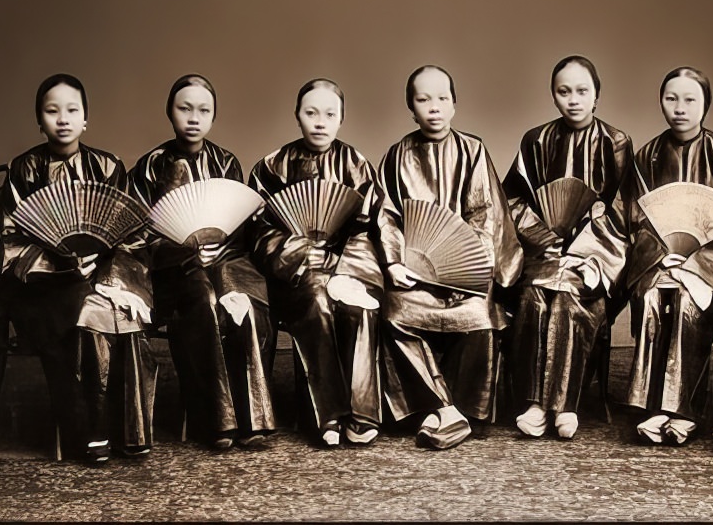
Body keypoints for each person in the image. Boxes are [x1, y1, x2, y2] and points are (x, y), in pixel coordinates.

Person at [0, 73, 157, 463]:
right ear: (39, 120)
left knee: (117, 309)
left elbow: (129, 233)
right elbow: (13, 241)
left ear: (86, 120)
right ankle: (90, 431)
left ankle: (130, 431)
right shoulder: (24, 169)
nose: (62, 119)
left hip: (101, 279)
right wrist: (68, 266)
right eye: (52, 111)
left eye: (72, 110)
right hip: (43, 287)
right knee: (87, 310)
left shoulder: (107, 166)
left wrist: (109, 279)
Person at [375, 65, 523, 450]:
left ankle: (452, 411)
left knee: (480, 318)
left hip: (467, 276)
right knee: (394, 314)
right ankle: (447, 410)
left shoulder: (473, 151)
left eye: (442, 98)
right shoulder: (397, 155)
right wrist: (393, 263)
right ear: (411, 107)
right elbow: (388, 216)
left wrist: (465, 273)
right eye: (423, 100)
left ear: (455, 104)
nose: (434, 108)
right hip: (415, 274)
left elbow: (485, 215)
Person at [128, 73, 275, 450]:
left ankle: (254, 419)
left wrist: (218, 253)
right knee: (202, 298)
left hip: (224, 263)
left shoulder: (226, 162)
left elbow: (239, 228)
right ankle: (216, 420)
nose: (194, 117)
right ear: (169, 112)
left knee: (245, 304)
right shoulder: (148, 168)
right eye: (185, 108)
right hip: (173, 273)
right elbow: (138, 237)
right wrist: (186, 252)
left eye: (203, 110)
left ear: (213, 116)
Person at [502, 55, 633, 439]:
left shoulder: (616, 142)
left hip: (597, 260)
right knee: (531, 298)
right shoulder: (536, 140)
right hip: (545, 254)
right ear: (553, 96)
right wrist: (545, 239)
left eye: (582, 91)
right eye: (564, 92)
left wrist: (587, 249)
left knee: (568, 300)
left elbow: (624, 213)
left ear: (597, 96)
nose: (573, 100)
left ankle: (562, 403)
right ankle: (533, 402)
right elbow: (514, 202)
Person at [248, 78, 385, 447]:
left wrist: (344, 268)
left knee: (359, 306)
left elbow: (369, 228)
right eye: (311, 113)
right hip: (294, 275)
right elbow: (259, 231)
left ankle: (362, 411)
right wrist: (300, 254)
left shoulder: (357, 165)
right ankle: (327, 415)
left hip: (347, 268)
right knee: (317, 300)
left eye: (330, 114)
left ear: (342, 119)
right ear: (297, 116)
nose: (320, 122)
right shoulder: (270, 167)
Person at [625, 66, 713, 445]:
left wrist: (695, 263)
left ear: (706, 105)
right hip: (660, 260)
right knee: (652, 296)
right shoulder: (647, 155)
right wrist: (664, 255)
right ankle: (651, 406)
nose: (679, 108)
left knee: (685, 301)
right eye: (671, 98)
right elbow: (637, 220)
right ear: (661, 103)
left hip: (711, 264)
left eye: (690, 99)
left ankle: (680, 410)